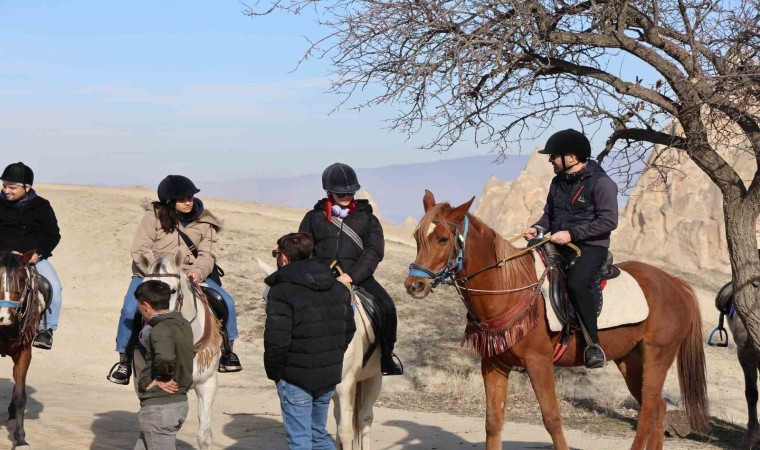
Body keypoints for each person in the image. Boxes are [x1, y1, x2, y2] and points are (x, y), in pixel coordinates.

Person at [107, 175, 241, 385]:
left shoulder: (206, 221)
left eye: (190, 197)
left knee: (227, 303)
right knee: (129, 309)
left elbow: (208, 254)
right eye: (182, 199)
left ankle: (227, 351)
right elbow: (140, 248)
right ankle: (124, 360)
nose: (188, 202)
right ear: (170, 201)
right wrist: (156, 270)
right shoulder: (153, 217)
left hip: (191, 273)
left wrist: (197, 271)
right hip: (152, 274)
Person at [523, 129, 619, 369]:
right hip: (557, 242)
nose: (550, 159)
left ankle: (593, 345)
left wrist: (572, 234)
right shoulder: (558, 182)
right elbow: (549, 215)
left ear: (572, 158)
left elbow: (609, 221)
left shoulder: (602, 183)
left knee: (577, 283)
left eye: (554, 155)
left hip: (590, 247)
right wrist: (537, 228)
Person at [298, 162, 403, 376]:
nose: (346, 196)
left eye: (350, 192)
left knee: (388, 308)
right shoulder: (313, 218)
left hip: (359, 277)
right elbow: (303, 248)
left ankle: (386, 357)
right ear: (329, 192)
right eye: (340, 193)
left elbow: (374, 251)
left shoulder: (368, 219)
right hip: (321, 277)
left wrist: (352, 276)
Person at [264, 233, 355, 450]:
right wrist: (331, 357)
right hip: (328, 375)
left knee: (300, 440)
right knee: (318, 435)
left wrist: (275, 372)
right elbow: (349, 329)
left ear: (284, 258)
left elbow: (277, 340)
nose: (277, 258)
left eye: (277, 254)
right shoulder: (338, 287)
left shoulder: (281, 291)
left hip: (295, 378)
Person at [0, 162, 62, 350]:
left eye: (12, 187)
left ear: (27, 188)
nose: (6, 190)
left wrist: (39, 253)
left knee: (54, 288)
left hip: (32, 259)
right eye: (4, 186)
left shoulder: (42, 206)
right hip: (1, 258)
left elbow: (53, 234)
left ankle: (46, 330)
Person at [132, 280, 193, 450]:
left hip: (160, 407)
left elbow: (165, 357)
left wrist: (162, 378)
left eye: (138, 305)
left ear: (145, 305)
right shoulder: (183, 324)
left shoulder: (160, 329)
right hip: (177, 404)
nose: (138, 309)